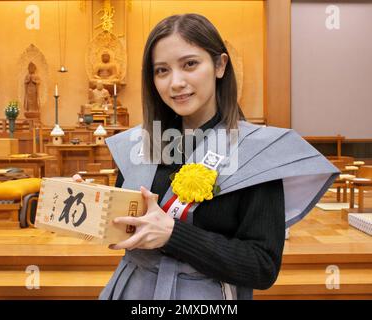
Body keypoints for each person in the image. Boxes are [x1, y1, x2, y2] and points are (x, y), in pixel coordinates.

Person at [79, 14, 338, 300]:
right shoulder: (138, 145)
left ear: (219, 65)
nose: (175, 82)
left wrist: (173, 234)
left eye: (190, 64)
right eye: (161, 70)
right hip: (132, 290)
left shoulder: (256, 152)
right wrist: (90, 205)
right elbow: (127, 227)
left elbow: (261, 266)